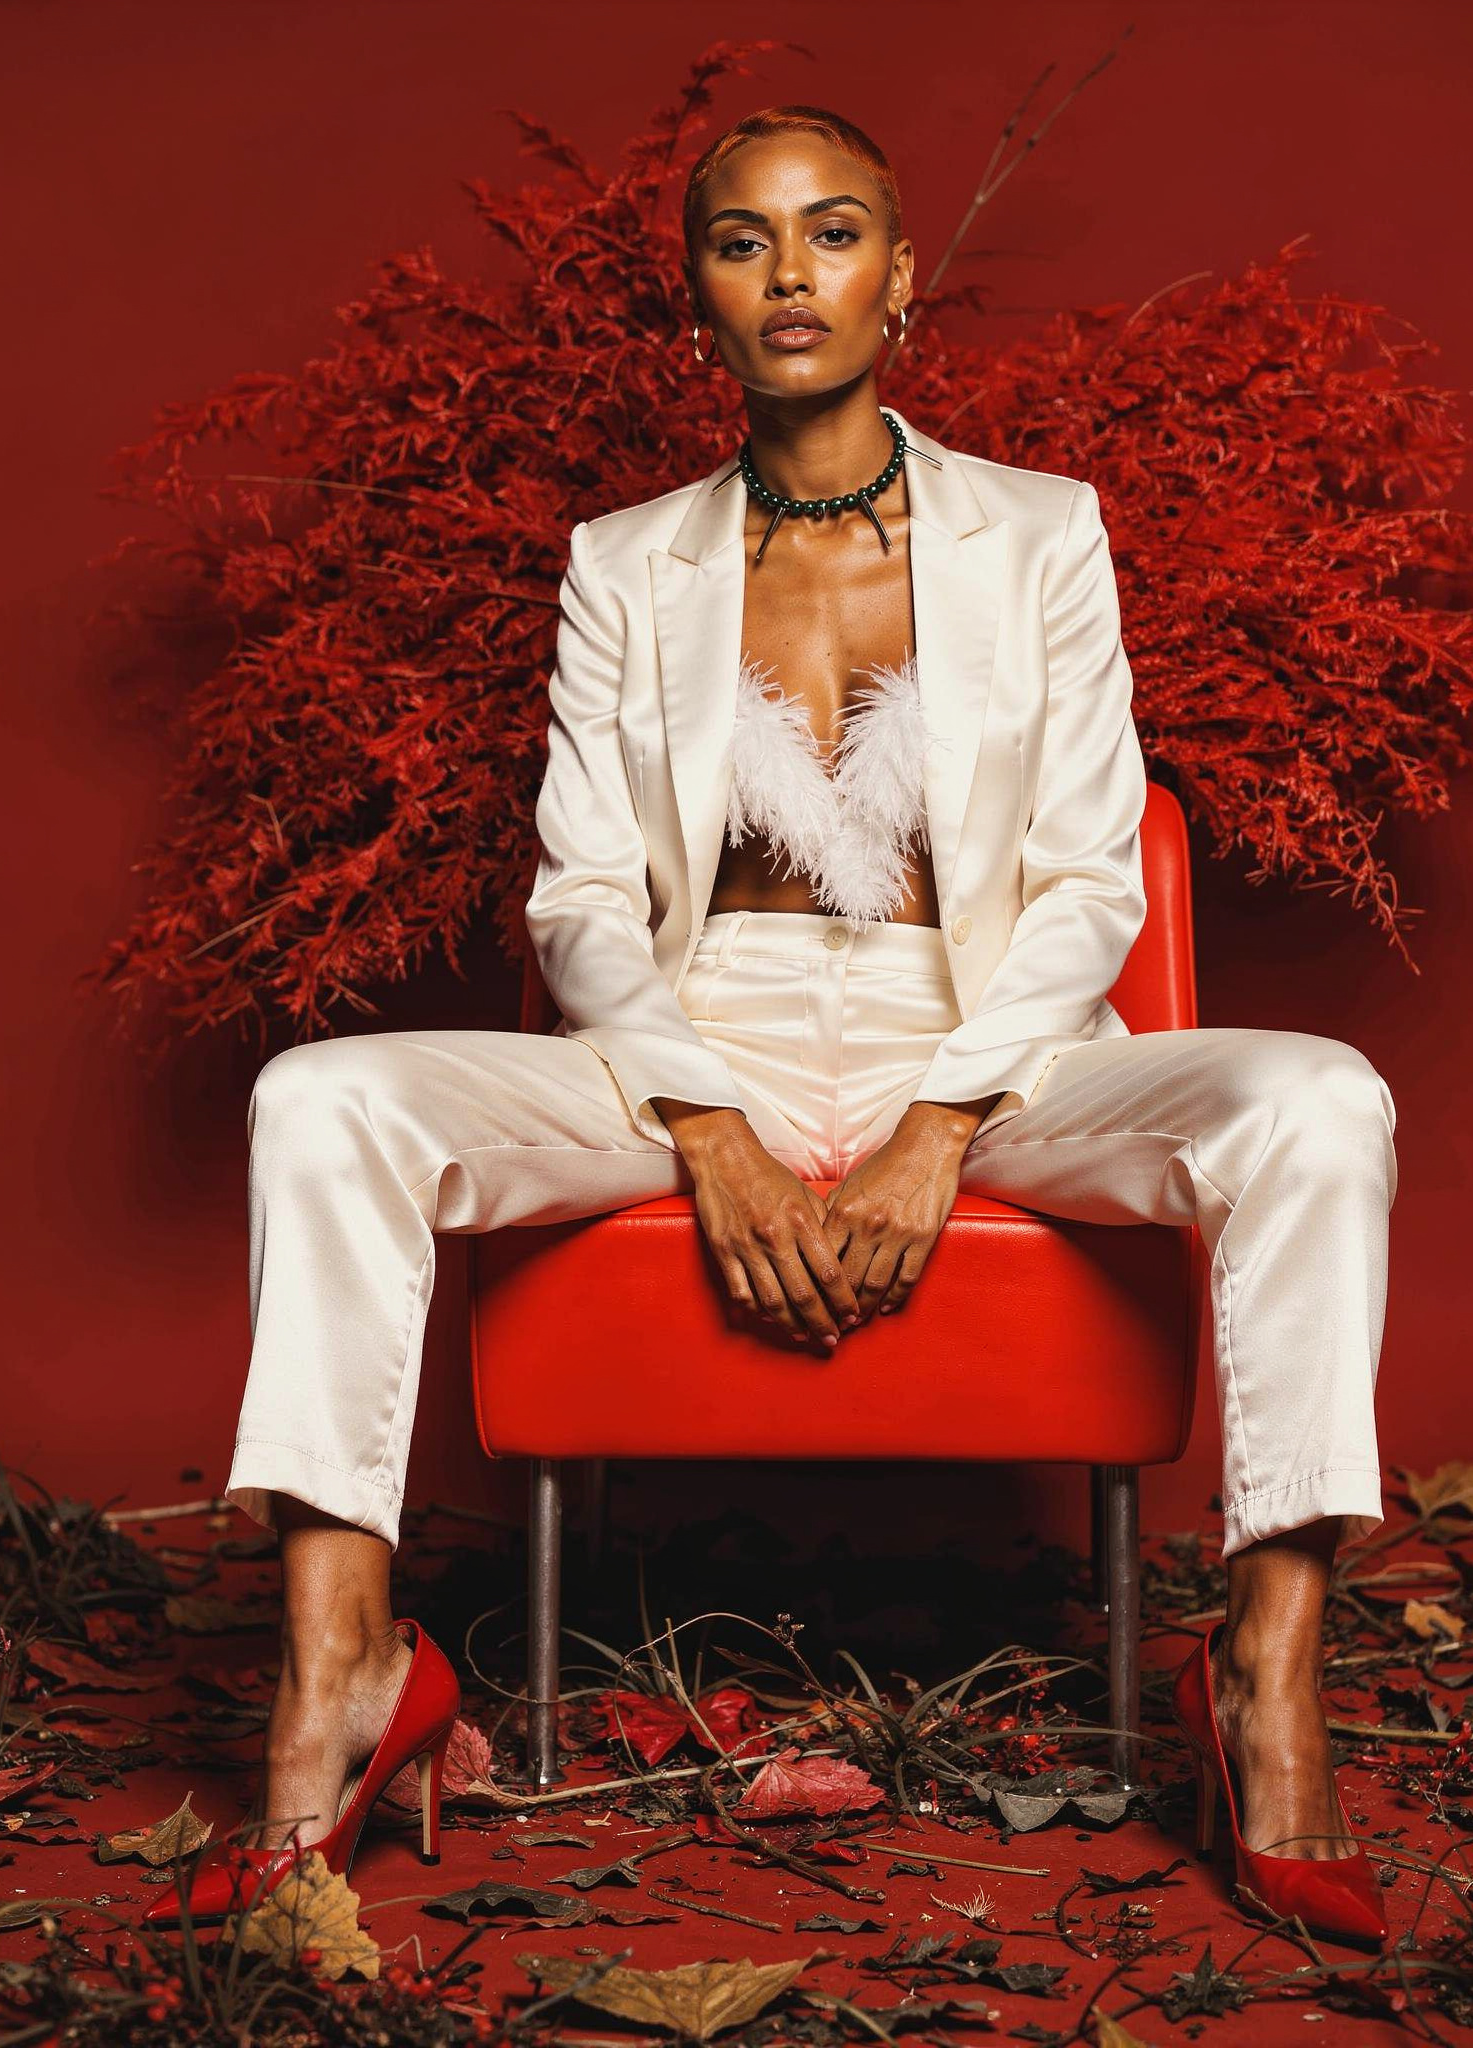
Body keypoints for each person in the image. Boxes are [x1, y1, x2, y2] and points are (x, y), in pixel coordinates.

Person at [171, 106, 1398, 1944]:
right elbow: (583, 895)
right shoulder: (621, 561)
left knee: (1322, 1102)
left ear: (899, 280)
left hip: (977, 1027)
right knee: (317, 1097)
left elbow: (1087, 881)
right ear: (699, 301)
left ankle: (1268, 1676)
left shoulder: (1043, 534)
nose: (791, 274)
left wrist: (945, 1123)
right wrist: (707, 1124)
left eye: (833, 235)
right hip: (696, 1027)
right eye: (743, 243)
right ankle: (344, 1670)